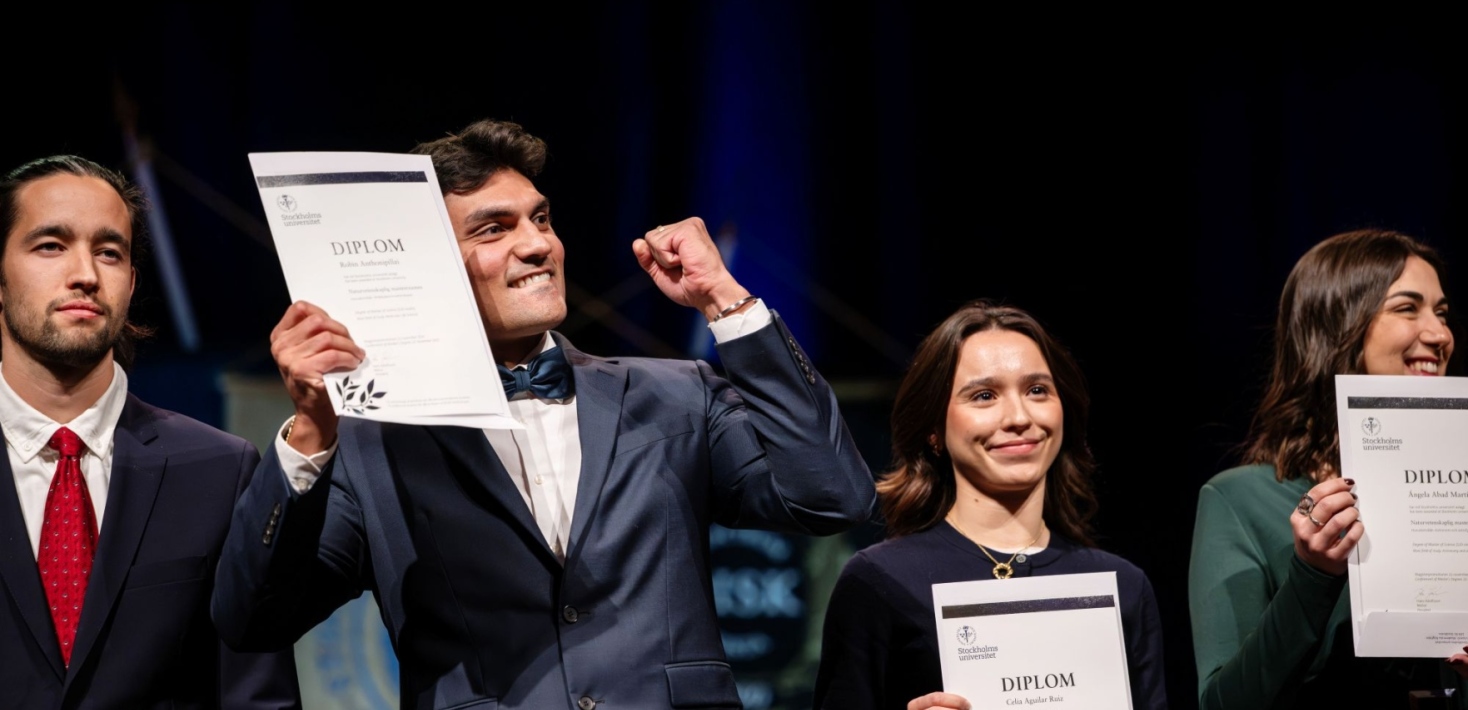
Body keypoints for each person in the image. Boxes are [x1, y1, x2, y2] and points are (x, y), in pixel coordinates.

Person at [211, 119, 875, 710]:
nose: (538, 245)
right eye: (495, 229)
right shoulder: (370, 445)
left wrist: (728, 302)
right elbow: (253, 620)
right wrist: (310, 433)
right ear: (424, 264)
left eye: (542, 218)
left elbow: (832, 497)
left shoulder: (676, 395)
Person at [0, 156, 301, 709]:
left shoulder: (219, 470)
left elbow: (257, 695)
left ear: (131, 283)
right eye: (50, 246)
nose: (86, 274)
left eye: (109, 252)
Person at [813, 300, 1168, 710]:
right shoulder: (880, 581)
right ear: (933, 430)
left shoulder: (1121, 586)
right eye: (984, 395)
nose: (1019, 416)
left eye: (1037, 390)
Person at [1190, 229, 1463, 709]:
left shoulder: (1456, 492)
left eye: (1441, 313)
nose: (1440, 335)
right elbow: (1223, 704)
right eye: (1407, 308)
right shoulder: (1242, 500)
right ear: (1338, 325)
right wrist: (1313, 574)